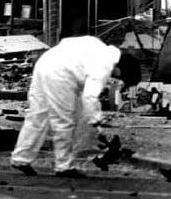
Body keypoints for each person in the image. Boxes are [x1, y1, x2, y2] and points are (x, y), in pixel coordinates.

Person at [10, 35, 141, 178]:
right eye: (120, 78)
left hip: (45, 63)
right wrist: (96, 121)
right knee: (64, 122)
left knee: (37, 116)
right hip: (60, 75)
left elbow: (67, 44)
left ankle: (20, 159)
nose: (115, 79)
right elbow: (90, 97)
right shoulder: (105, 65)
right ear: (121, 70)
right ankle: (64, 166)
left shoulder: (98, 46)